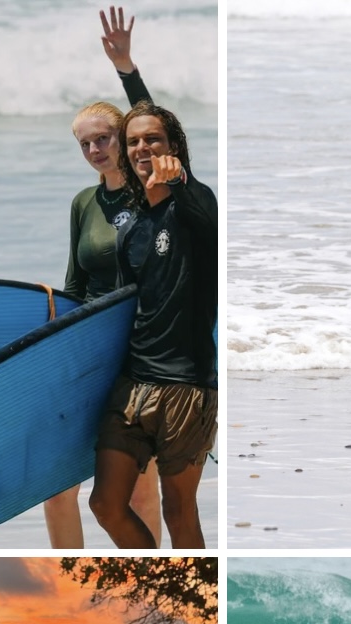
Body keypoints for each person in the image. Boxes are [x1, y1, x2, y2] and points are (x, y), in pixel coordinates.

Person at [45, 6, 163, 548]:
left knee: (138, 489)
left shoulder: (155, 195)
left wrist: (126, 68)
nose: (95, 150)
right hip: (87, 350)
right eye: (85, 143)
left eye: (104, 139)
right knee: (57, 484)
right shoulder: (82, 203)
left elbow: (161, 135)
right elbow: (73, 285)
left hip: (140, 354)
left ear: (124, 137)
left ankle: (151, 574)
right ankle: (67, 580)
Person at [89, 101, 217, 548]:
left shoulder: (196, 208)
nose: (143, 147)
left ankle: (200, 604)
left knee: (178, 510)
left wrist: (178, 178)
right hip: (133, 382)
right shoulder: (131, 229)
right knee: (105, 504)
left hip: (187, 385)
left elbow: (203, 209)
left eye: (153, 139)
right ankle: (161, 584)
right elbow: (124, 310)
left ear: (173, 146)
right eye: (134, 141)